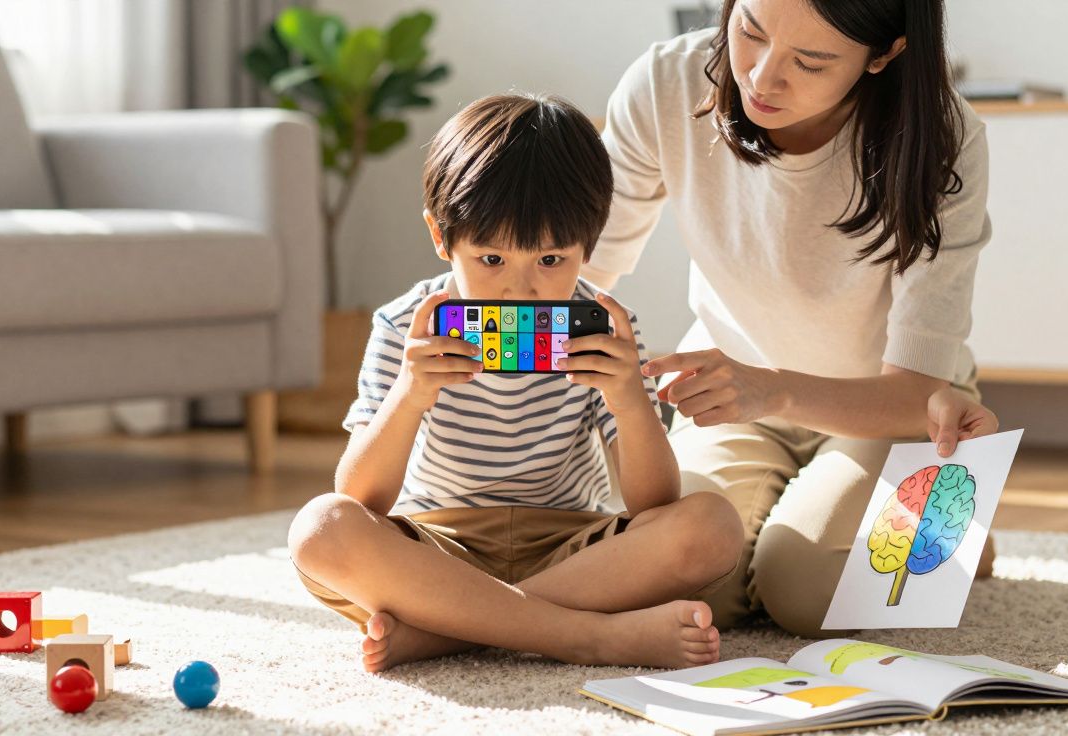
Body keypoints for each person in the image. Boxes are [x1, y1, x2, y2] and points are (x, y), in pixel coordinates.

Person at [579, 0, 1001, 637]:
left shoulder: (942, 138)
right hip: (731, 400)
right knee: (689, 578)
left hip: (892, 408)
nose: (761, 77)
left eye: (811, 62)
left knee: (804, 591)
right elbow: (578, 269)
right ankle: (839, 520)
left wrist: (771, 389)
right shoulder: (667, 82)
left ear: (885, 54)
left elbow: (916, 388)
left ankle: (954, 528)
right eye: (749, 30)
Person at [288, 93, 744, 673]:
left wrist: (630, 402)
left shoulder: (605, 331)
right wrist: (409, 395)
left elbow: (653, 505)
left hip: (574, 554)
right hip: (437, 551)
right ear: (441, 237)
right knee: (322, 528)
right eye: (491, 260)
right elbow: (360, 497)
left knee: (711, 526)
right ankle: (586, 637)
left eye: (550, 261)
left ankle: (446, 631)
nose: (520, 290)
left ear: (590, 244)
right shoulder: (405, 326)